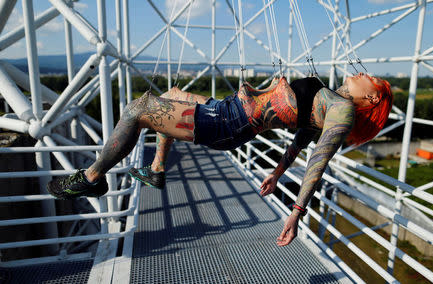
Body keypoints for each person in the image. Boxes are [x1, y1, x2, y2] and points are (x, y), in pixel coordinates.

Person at [47, 72, 392, 246]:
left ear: (373, 96)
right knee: (169, 97)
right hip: (227, 110)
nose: (358, 71)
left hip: (228, 122)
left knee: (140, 109)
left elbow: (320, 158)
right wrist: (277, 171)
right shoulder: (331, 100)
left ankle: (92, 178)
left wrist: (296, 212)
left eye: (367, 75)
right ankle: (156, 170)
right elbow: (303, 137)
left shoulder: (343, 109)